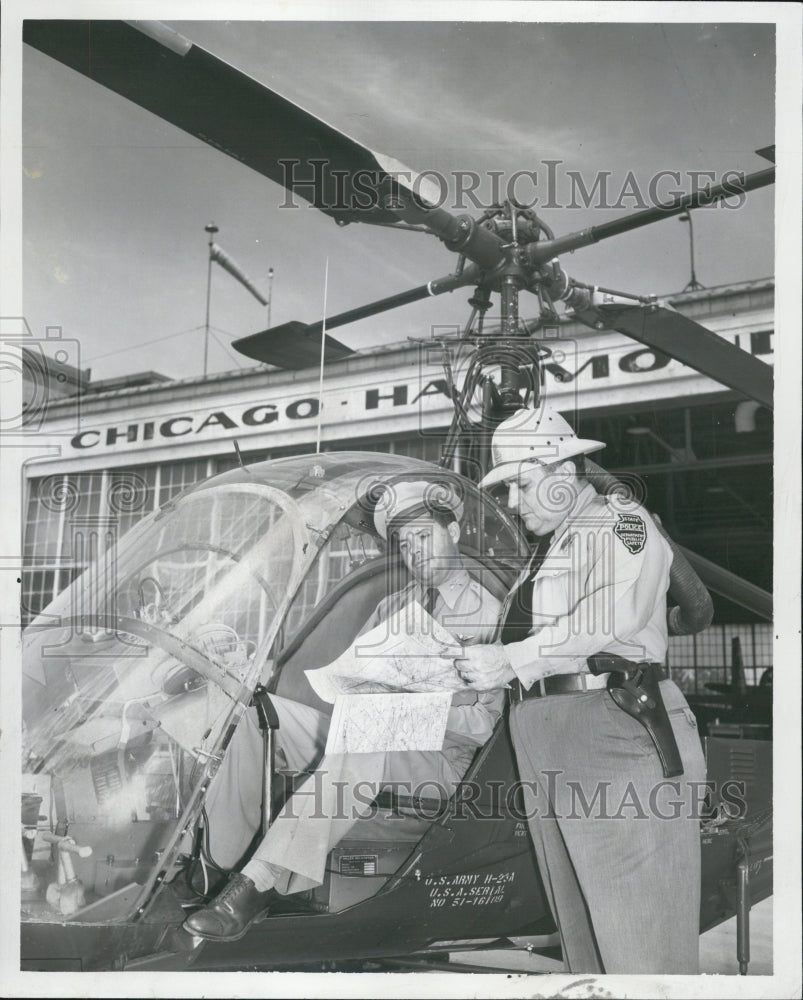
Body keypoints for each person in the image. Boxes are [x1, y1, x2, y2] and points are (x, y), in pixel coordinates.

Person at [184, 479, 503, 941]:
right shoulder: (393, 607)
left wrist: (413, 709)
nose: (415, 552)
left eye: (424, 536)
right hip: (373, 733)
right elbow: (356, 681)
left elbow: (483, 729)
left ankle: (259, 883)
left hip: (446, 760)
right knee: (261, 713)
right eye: (405, 543)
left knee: (367, 729)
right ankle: (218, 864)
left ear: (452, 531)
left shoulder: (493, 616)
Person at [456, 406, 707, 975]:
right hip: (551, 741)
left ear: (563, 475)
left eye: (520, 485)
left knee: (643, 946)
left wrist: (511, 659)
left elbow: (611, 614)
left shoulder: (623, 521)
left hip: (615, 732)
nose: (513, 504)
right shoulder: (544, 551)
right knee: (585, 945)